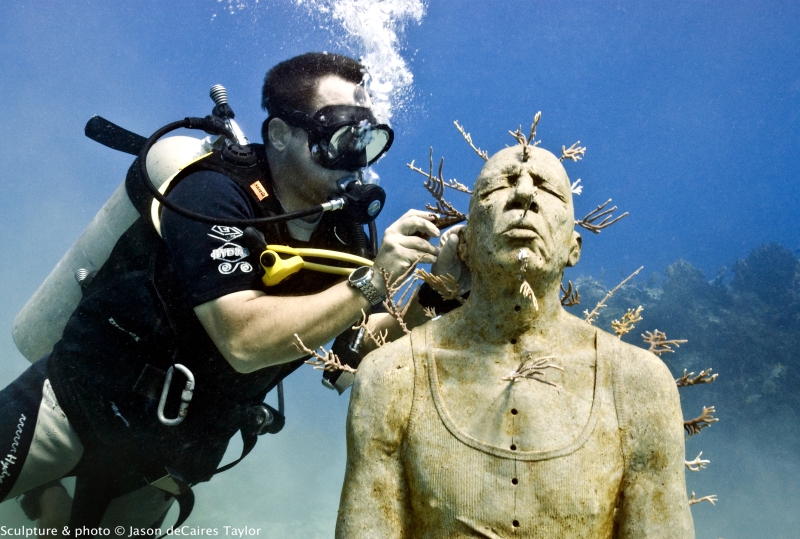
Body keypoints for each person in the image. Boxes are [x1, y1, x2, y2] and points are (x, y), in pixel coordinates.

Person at [0, 52, 445, 530]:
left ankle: (50, 506)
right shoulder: (211, 192)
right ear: (279, 134)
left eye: (365, 140)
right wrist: (374, 279)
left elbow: (350, 361)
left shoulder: (349, 237)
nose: (353, 160)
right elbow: (242, 341)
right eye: (337, 137)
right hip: (74, 405)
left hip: (164, 462)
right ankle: (46, 491)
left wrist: (437, 296)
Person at [336, 144, 695, 538]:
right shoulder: (391, 377)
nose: (524, 195)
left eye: (548, 189)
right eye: (498, 188)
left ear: (574, 248)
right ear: (465, 245)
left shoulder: (640, 385)